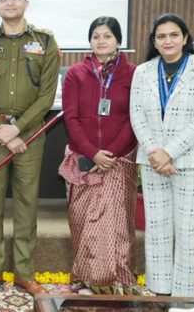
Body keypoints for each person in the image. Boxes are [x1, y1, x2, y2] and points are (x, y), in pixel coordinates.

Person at [0, 0, 60, 296]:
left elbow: (47, 95)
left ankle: (24, 272)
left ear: (26, 3)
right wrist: (3, 130)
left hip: (31, 133)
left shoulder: (45, 41)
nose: (10, 3)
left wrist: (18, 129)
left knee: (27, 204)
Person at [130, 13, 194, 297]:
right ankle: (159, 290)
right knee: (156, 229)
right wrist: (156, 153)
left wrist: (169, 152)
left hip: (190, 161)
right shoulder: (142, 72)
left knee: (188, 232)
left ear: (184, 38)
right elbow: (136, 115)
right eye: (161, 36)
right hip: (152, 161)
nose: (167, 40)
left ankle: (186, 294)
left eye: (173, 35)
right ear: (154, 42)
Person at [58, 16, 138, 295]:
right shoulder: (75, 73)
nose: (101, 41)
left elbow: (133, 118)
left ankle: (117, 280)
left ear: (118, 40)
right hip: (84, 158)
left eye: (107, 36)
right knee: (84, 220)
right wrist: (92, 153)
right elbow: (71, 117)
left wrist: (111, 153)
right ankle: (85, 278)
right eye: (96, 36)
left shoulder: (133, 74)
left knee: (115, 224)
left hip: (120, 159)